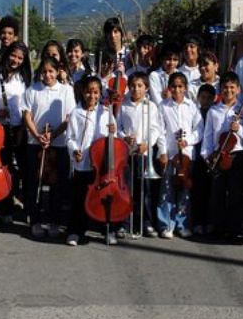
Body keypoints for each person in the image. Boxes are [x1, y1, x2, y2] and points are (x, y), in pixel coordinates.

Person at [21, 57, 76, 239]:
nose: (48, 75)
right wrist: (37, 135)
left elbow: (69, 117)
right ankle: (35, 221)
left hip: (58, 144)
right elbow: (27, 115)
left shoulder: (66, 90)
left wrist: (53, 136)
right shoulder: (32, 90)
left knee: (56, 185)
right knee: (33, 184)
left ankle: (54, 221)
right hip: (34, 143)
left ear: (58, 71)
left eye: (51, 71)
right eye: (44, 71)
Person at [66, 76, 116, 246]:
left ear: (100, 94)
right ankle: (75, 231)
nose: (92, 96)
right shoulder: (76, 112)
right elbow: (70, 137)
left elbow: (113, 139)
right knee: (79, 199)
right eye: (88, 92)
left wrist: (113, 131)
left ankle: (107, 230)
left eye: (96, 92)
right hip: (83, 164)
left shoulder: (105, 112)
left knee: (103, 198)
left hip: (101, 164)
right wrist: (74, 151)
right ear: (83, 92)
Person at [117, 71, 166, 238]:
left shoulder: (151, 106)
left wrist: (147, 143)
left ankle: (146, 222)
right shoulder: (123, 105)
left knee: (144, 190)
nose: (136, 89)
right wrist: (124, 137)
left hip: (143, 153)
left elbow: (155, 129)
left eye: (140, 86)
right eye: (132, 86)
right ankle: (124, 223)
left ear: (146, 88)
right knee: (127, 189)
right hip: (126, 153)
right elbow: (117, 127)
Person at [201, 72, 243, 237]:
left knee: (235, 192)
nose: (228, 91)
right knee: (217, 191)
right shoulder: (214, 111)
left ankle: (234, 226)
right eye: (225, 88)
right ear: (220, 90)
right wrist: (206, 155)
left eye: (232, 88)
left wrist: (238, 129)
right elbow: (208, 135)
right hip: (218, 154)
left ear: (238, 89)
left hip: (237, 155)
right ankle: (217, 224)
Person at [157, 72, 203, 239]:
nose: (177, 90)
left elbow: (199, 130)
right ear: (169, 88)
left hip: (186, 155)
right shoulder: (163, 106)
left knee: (185, 189)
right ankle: (165, 224)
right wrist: (163, 152)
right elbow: (160, 131)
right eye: (174, 86)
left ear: (185, 88)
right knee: (166, 190)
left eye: (180, 86)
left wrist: (188, 141)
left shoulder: (192, 106)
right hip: (170, 154)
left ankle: (182, 224)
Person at [0, 42, 31, 225]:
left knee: (24, 170)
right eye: (13, 56)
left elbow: (28, 107)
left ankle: (29, 210)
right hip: (0, 128)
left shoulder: (25, 78)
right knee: (4, 169)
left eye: (20, 58)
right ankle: (5, 208)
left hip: (20, 127)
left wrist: (23, 129)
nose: (16, 60)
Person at [191, 84, 217, 234]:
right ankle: (197, 222)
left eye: (209, 98)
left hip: (212, 156)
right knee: (198, 190)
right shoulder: (195, 113)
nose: (206, 100)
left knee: (211, 191)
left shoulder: (214, 113)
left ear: (214, 99)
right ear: (198, 98)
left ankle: (210, 222)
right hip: (198, 156)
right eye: (203, 97)